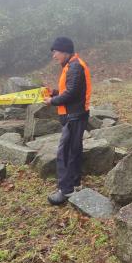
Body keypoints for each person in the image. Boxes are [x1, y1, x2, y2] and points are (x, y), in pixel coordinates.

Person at [43, 37, 91, 205]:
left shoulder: (75, 66)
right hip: (75, 114)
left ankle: (66, 190)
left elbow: (71, 94)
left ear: (65, 51)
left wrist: (52, 101)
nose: (54, 56)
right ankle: (75, 184)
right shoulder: (71, 65)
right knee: (74, 151)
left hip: (74, 116)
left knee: (65, 153)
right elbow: (70, 90)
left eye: (55, 52)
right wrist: (54, 92)